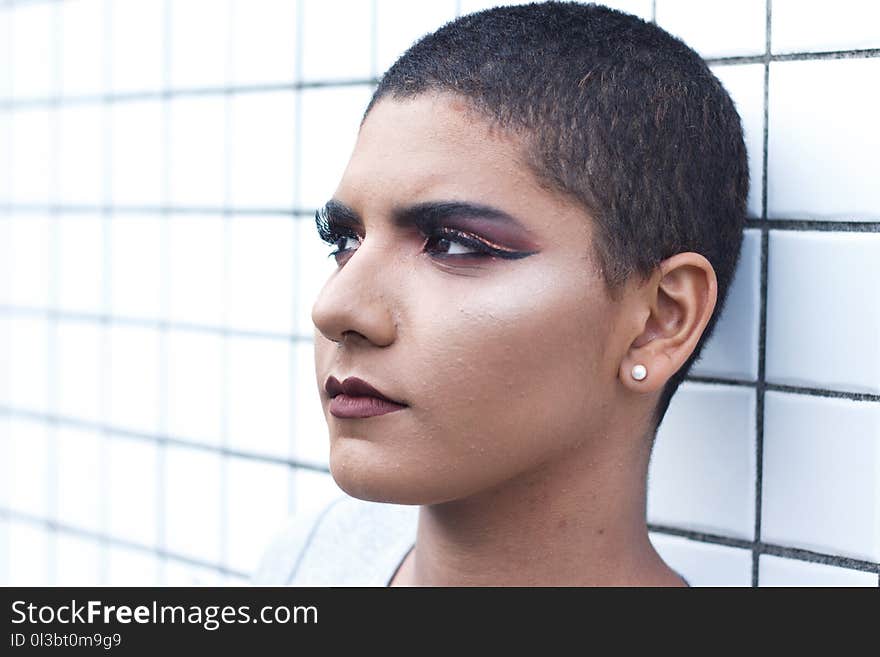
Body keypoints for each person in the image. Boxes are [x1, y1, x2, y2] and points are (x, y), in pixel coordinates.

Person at [252, 0, 748, 587]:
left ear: (658, 321)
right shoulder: (311, 561)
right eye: (346, 240)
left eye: (455, 245)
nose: (335, 309)